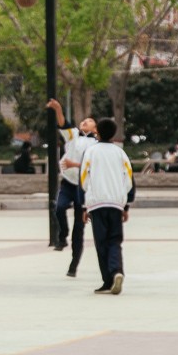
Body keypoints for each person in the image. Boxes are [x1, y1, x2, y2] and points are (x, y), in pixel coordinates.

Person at [81, 116, 135, 296]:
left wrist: (84, 206)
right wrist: (126, 206)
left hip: (97, 203)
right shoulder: (120, 153)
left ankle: (107, 280)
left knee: (101, 243)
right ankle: (117, 270)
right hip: (116, 203)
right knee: (114, 241)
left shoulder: (91, 152)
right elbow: (129, 179)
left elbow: (84, 179)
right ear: (113, 134)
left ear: (97, 132)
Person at [47, 99, 97, 278]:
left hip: (84, 188)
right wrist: (58, 108)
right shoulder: (74, 134)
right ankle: (62, 236)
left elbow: (94, 166)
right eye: (84, 120)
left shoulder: (97, 145)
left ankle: (73, 265)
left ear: (96, 129)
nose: (85, 121)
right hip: (69, 182)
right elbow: (62, 123)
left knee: (79, 228)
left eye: (90, 121)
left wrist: (73, 163)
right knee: (59, 207)